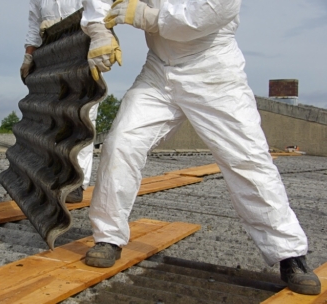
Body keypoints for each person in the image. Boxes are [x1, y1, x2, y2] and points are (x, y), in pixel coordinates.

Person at [80, 0, 321, 295]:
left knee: (247, 160)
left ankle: (289, 254)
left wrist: (142, 15)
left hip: (213, 71)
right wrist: (99, 31)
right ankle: (108, 237)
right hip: (158, 70)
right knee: (120, 144)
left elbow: (196, 20)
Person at [21, 0, 99, 203]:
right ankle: (53, 176)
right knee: (53, 116)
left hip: (82, 49)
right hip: (52, 53)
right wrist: (29, 56)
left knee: (83, 116)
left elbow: (99, 11)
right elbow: (33, 24)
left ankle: (77, 182)